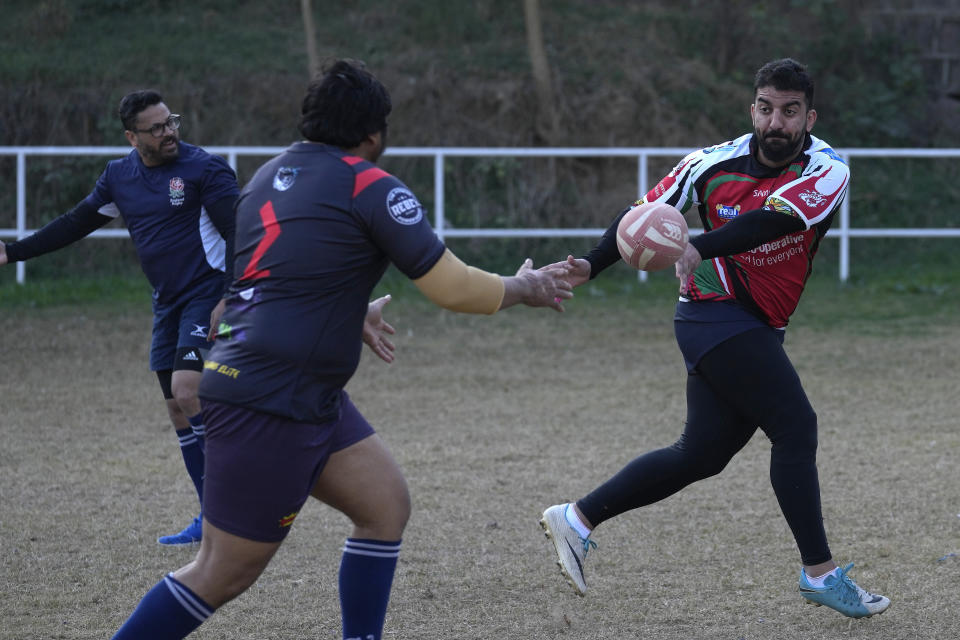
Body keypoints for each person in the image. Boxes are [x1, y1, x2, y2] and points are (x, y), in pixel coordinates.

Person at [110, 58, 573, 640]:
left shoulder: (264, 178)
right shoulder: (368, 185)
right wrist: (523, 288)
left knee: (383, 506)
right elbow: (451, 287)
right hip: (271, 396)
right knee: (220, 572)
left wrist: (351, 311)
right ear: (374, 134)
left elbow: (262, 283)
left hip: (284, 384)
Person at [539, 58, 891, 619]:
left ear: (809, 117)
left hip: (757, 324)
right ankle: (820, 574)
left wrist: (702, 244)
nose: (777, 122)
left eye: (790, 111)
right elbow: (644, 214)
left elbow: (773, 222)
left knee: (700, 454)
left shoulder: (828, 170)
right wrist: (592, 262)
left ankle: (576, 519)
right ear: (752, 108)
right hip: (713, 314)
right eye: (767, 108)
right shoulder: (708, 163)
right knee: (796, 427)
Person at [0, 90, 240, 545]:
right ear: (133, 137)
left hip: (208, 293)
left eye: (172, 122)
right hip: (167, 301)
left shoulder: (203, 168)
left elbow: (239, 232)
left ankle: (236, 504)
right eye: (157, 127)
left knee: (188, 390)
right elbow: (75, 222)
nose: (169, 132)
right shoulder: (119, 176)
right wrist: (12, 251)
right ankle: (212, 516)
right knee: (176, 407)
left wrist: (230, 295)